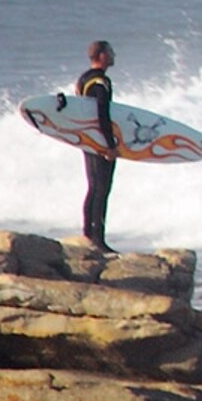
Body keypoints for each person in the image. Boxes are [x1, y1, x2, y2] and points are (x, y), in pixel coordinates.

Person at [76, 40, 119, 251]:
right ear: (101, 55)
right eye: (110, 52)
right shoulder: (101, 82)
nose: (114, 56)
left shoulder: (83, 79)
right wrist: (110, 145)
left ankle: (87, 234)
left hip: (87, 138)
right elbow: (102, 114)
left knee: (93, 187)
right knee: (102, 188)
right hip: (100, 141)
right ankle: (98, 240)